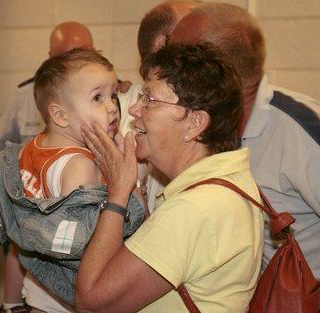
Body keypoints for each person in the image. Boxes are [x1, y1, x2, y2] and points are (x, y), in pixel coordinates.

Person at [169, 3, 320, 312]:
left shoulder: (299, 129)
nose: (166, 71)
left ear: (218, 72)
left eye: (178, 59)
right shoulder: (211, 130)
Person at [76, 43, 264, 312]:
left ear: (194, 123)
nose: (133, 110)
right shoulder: (226, 185)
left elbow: (91, 302)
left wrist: (118, 193)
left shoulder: (194, 208)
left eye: (149, 100)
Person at [3, 48, 131, 313]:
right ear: (60, 116)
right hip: (67, 301)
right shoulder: (81, 166)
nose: (112, 107)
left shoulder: (33, 147)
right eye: (97, 97)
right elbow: (88, 245)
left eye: (113, 96)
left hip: (39, 290)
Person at [119, 0, 203, 211]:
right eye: (194, 29)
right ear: (161, 46)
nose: (206, 38)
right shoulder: (113, 114)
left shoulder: (206, 110)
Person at [0, 21, 94, 153]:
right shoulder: (27, 95)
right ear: (50, 58)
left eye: (81, 57)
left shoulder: (110, 96)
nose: (73, 66)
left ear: (95, 54)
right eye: (63, 59)